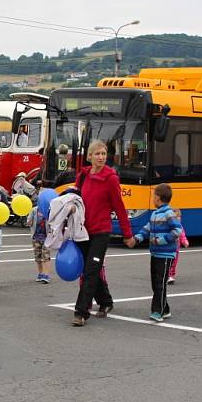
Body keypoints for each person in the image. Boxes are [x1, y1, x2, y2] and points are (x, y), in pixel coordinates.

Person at [72, 140, 135, 327]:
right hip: (83, 230)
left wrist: (127, 233)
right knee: (90, 269)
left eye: (104, 153)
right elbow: (75, 199)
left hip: (101, 231)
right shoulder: (82, 176)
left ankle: (81, 312)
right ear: (89, 156)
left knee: (91, 270)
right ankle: (106, 301)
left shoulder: (111, 178)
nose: (101, 157)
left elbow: (119, 207)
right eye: (97, 154)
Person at [129, 183, 183, 322]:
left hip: (165, 254)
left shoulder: (169, 213)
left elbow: (177, 231)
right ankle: (165, 309)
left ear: (158, 198)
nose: (153, 198)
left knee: (160, 283)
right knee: (155, 283)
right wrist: (136, 239)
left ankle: (157, 311)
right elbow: (147, 229)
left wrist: (161, 240)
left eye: (154, 196)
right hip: (155, 253)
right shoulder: (154, 214)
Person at [167, 208, 189, 284]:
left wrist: (185, 241)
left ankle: (171, 276)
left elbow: (182, 235)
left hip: (176, 248)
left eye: (179, 217)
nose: (179, 219)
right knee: (166, 261)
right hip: (167, 248)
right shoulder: (168, 227)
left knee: (174, 262)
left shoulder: (180, 227)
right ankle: (165, 274)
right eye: (176, 218)